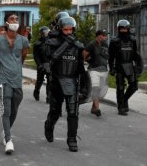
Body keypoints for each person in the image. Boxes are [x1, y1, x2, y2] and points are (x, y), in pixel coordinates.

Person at [44, 16, 85, 152]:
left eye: (70, 29)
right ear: (60, 29)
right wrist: (67, 44)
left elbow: (81, 67)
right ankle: (49, 126)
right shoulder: (51, 42)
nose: (68, 32)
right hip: (57, 81)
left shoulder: (78, 45)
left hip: (72, 81)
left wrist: (84, 87)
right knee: (55, 112)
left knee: (73, 112)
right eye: (65, 29)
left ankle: (72, 139)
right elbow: (53, 58)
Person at [0, 12, 29, 154]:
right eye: (12, 19)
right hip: (3, 79)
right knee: (6, 110)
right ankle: (9, 139)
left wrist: (16, 67)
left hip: (17, 79)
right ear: (6, 22)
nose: (15, 21)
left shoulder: (23, 40)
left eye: (17, 19)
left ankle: (5, 131)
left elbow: (23, 56)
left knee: (14, 108)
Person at [109, 19, 143, 116]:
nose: (123, 30)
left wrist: (139, 68)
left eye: (125, 29)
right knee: (120, 87)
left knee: (133, 86)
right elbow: (111, 57)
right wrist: (111, 68)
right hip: (119, 66)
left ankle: (124, 100)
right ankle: (121, 107)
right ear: (118, 29)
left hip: (130, 66)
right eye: (121, 29)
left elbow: (136, 55)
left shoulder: (133, 40)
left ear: (128, 29)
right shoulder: (114, 41)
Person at [83, 30, 109, 117]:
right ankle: (97, 109)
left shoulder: (105, 45)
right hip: (94, 70)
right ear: (98, 36)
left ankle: (93, 109)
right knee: (96, 88)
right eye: (103, 35)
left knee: (101, 91)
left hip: (104, 70)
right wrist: (89, 60)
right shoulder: (92, 44)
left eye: (106, 35)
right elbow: (84, 54)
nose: (105, 37)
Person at [33, 26, 51, 103]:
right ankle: (36, 92)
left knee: (50, 81)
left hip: (49, 64)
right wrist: (39, 64)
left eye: (47, 32)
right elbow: (36, 55)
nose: (46, 33)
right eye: (45, 32)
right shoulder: (37, 43)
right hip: (41, 63)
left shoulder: (51, 42)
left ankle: (49, 97)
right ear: (41, 33)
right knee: (39, 80)